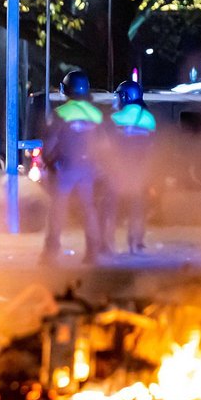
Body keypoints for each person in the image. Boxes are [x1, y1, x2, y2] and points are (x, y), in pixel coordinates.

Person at [40, 69, 105, 264]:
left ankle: (50, 254)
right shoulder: (96, 114)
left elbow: (49, 143)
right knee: (89, 209)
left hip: (65, 168)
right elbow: (104, 145)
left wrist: (49, 163)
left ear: (65, 89)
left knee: (58, 209)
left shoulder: (60, 113)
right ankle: (93, 253)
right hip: (88, 168)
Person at [99, 80, 157, 254]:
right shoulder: (148, 118)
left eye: (118, 95)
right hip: (139, 172)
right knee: (137, 208)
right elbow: (153, 147)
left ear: (125, 97)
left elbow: (104, 147)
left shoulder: (114, 119)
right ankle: (136, 243)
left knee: (109, 208)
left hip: (116, 171)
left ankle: (107, 244)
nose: (116, 99)